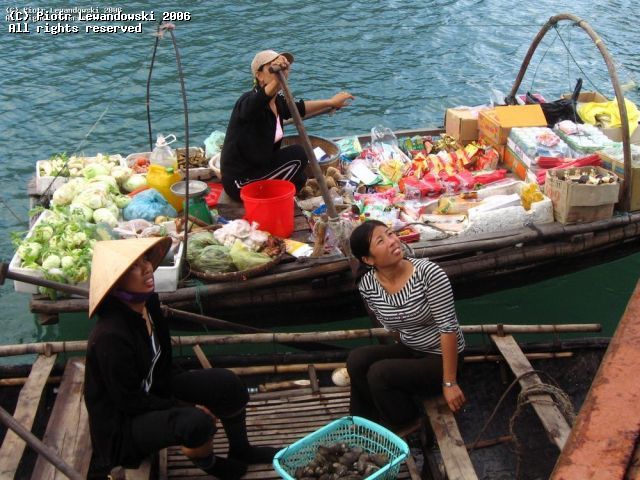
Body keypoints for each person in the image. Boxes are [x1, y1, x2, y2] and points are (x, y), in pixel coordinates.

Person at [84, 237, 277, 480]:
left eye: (145, 260)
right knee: (196, 421)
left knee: (228, 384)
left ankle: (241, 449)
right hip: (124, 427)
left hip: (156, 389)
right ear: (116, 282)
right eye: (134, 267)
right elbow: (130, 402)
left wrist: (186, 394)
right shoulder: (110, 337)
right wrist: (182, 407)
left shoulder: (148, 303)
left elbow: (163, 360)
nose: (147, 268)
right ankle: (208, 463)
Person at [346, 220, 466, 432]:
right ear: (368, 259)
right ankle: (365, 422)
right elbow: (391, 328)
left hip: (442, 357)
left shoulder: (428, 274)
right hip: (412, 347)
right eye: (381, 240)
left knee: (379, 373)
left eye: (390, 234)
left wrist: (450, 383)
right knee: (357, 359)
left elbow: (448, 329)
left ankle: (407, 422)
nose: (393, 241)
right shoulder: (368, 285)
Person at [220, 49, 354, 201]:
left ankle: (276, 194)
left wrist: (331, 102)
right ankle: (266, 201)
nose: (281, 71)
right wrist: (278, 79)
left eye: (283, 68)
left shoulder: (277, 101)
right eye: (272, 67)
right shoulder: (248, 102)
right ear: (259, 75)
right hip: (240, 182)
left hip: (259, 167)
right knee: (298, 155)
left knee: (300, 178)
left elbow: (299, 108)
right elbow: (257, 101)